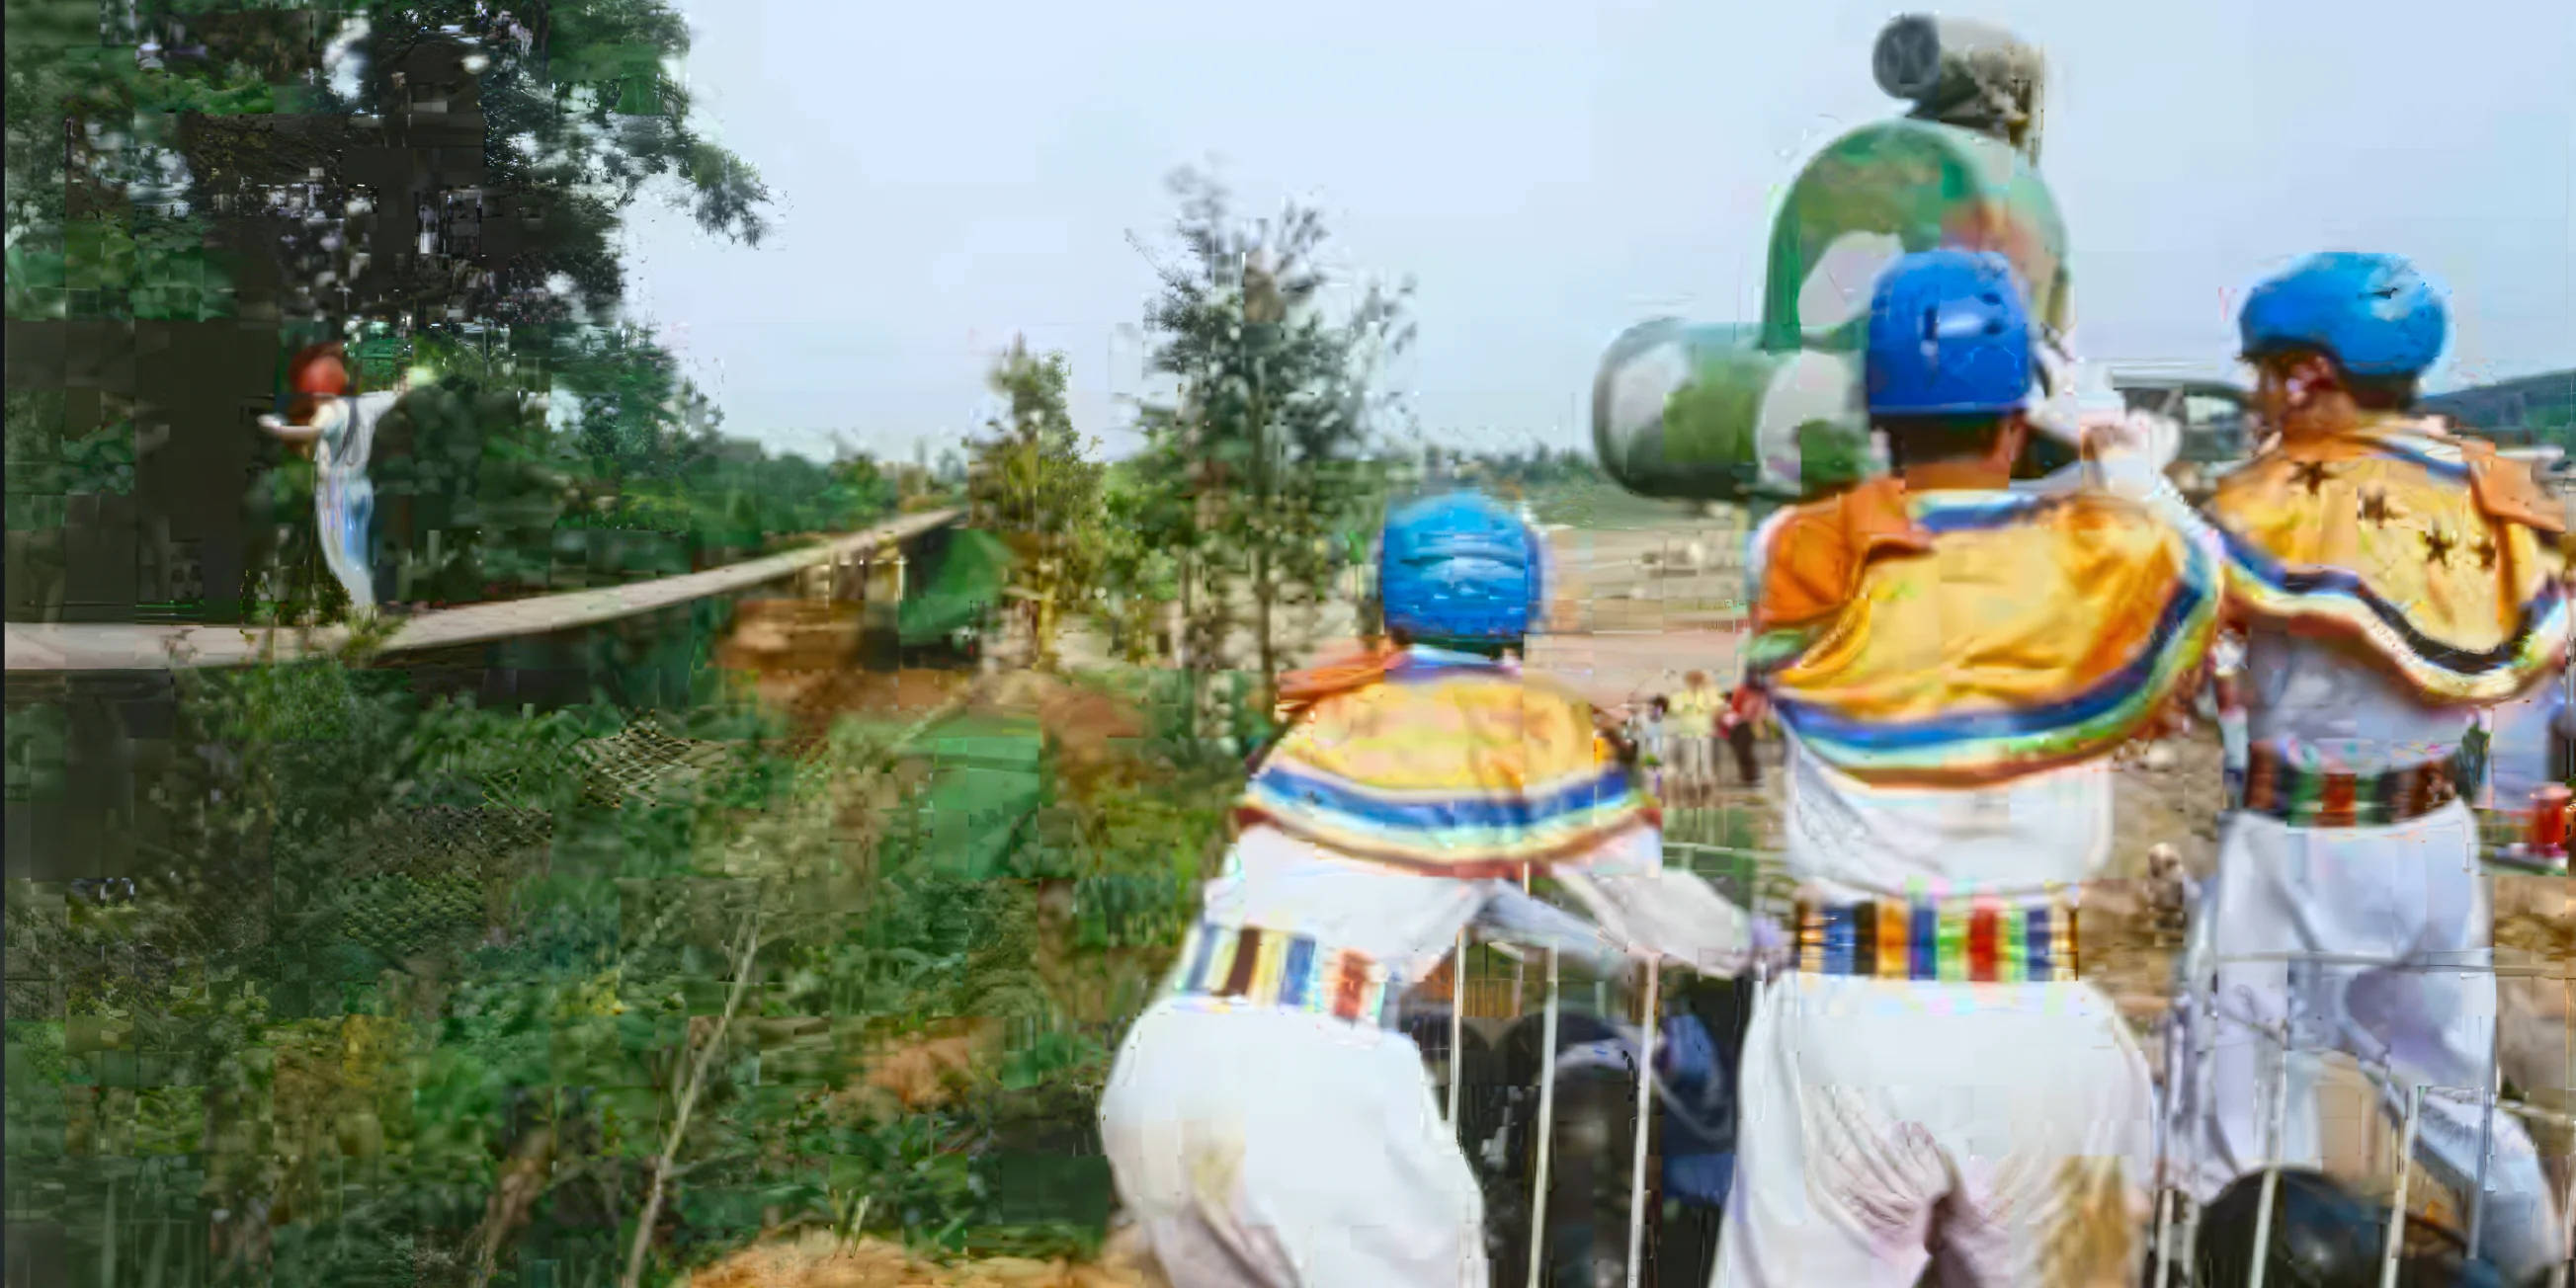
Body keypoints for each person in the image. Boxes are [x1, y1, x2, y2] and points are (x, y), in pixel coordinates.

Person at [1098, 491, 1782, 1288]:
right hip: (1312, 1078)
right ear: (1522, 604)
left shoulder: (1327, 717)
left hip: (1166, 1062)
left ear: (1386, 600)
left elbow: (1473, 893)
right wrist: (1760, 944)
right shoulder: (1530, 722)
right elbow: (1659, 910)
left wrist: (1598, 956)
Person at [1714, 249, 2220, 1287]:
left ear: (1877, 414)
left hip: (1846, 1013)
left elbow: (1900, 521)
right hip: (2034, 1009)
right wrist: (2106, 436)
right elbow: (2199, 565)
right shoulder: (2094, 549)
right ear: (2015, 417)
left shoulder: (1796, 547)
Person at [2140, 252, 2570, 1282]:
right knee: (2455, 1098)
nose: (2256, 396)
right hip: (2434, 837)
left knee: (2237, 1109)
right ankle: (2533, 1262)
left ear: (2311, 374)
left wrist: (2125, 466)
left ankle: (2240, 1267)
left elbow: (2184, 576)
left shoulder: (2284, 494)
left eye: (2266, 372)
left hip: (2304, 843)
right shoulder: (2487, 483)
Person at [1668, 671, 1722, 804]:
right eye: (1693, 680)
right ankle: (1690, 792)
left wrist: (1708, 687)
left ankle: (1706, 791)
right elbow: (1674, 709)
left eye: (1698, 680)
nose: (1696, 683)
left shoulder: (1708, 693)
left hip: (1704, 733)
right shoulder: (1681, 695)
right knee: (1690, 763)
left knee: (1705, 763)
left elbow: (1717, 708)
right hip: (1687, 733)